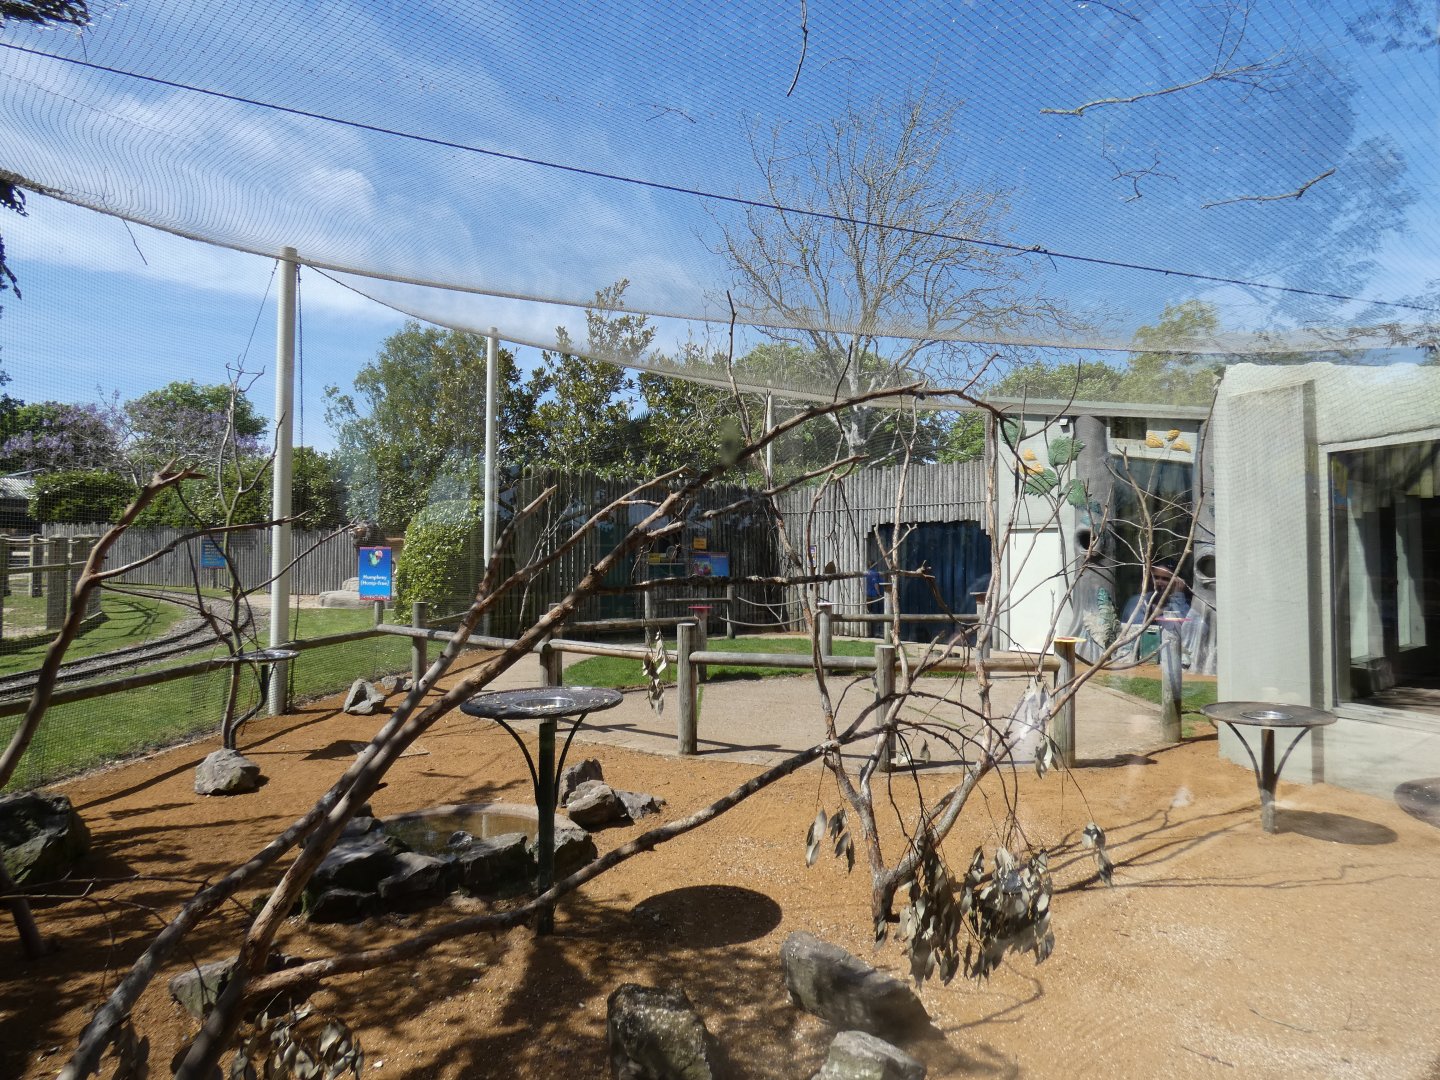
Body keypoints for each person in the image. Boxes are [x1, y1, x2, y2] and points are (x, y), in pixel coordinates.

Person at [864, 566, 885, 638]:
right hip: (874, 596)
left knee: (870, 612)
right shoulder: (874, 573)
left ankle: (871, 632)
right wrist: (879, 593)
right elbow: (876, 584)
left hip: (867, 596)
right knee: (877, 613)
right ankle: (877, 632)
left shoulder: (866, 573)